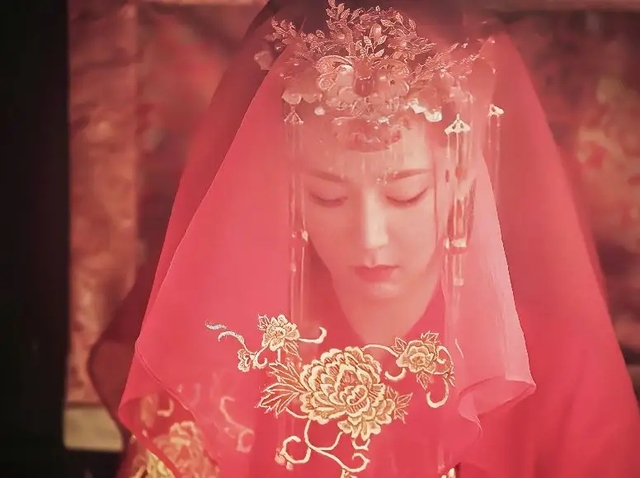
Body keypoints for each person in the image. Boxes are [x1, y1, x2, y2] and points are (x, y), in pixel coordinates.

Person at [117, 1, 640, 477]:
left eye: (404, 195)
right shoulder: (231, 350)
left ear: (460, 176)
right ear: (289, 184)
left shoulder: (561, 370)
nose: (369, 238)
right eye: (328, 196)